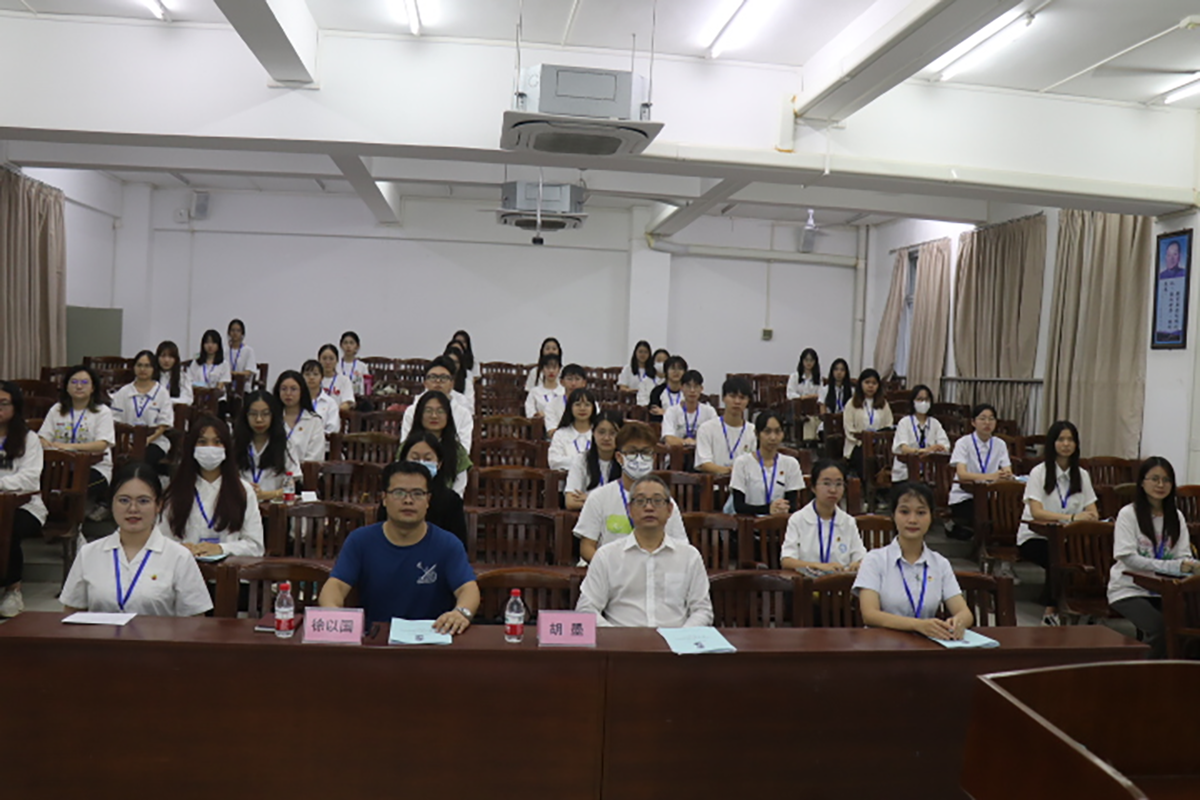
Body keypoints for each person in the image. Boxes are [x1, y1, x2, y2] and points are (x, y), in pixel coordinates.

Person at [318, 461, 480, 632]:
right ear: (384, 498)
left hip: (433, 636)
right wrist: (333, 614)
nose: (408, 500)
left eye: (417, 493)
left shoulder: (448, 544)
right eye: (399, 493)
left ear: (428, 500)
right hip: (376, 638)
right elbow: (335, 586)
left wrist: (461, 613)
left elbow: (468, 589)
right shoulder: (360, 540)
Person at [61, 462, 212, 617]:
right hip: (102, 634)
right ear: (111, 503)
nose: (133, 509)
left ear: (158, 505)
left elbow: (195, 621)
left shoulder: (179, 557)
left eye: (143, 501)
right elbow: (71, 614)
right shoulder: (89, 554)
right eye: (124, 500)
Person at [576, 474, 713, 627]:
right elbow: (586, 608)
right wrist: (616, 636)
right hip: (623, 638)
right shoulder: (607, 556)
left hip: (675, 639)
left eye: (657, 501)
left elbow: (702, 610)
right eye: (640, 501)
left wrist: (681, 637)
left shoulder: (689, 556)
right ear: (629, 510)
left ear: (669, 510)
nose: (649, 507)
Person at [854, 482, 974, 640]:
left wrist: (958, 622)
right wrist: (917, 625)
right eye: (904, 512)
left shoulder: (940, 563)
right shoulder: (875, 560)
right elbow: (870, 615)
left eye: (921, 512)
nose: (912, 520)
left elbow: (965, 613)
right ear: (893, 515)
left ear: (931, 517)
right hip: (882, 646)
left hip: (926, 645)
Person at [1108, 457, 1200, 658]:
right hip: (1129, 589)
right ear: (1142, 482)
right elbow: (1128, 558)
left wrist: (1192, 566)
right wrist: (1174, 567)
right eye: (1155, 479)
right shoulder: (1128, 514)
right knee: (1160, 628)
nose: (1161, 485)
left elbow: (1183, 556)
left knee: (1189, 625)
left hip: (1165, 591)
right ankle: (1144, 673)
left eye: (1166, 480)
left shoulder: (1176, 516)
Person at [1018, 420, 1099, 626]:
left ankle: (1087, 608)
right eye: (1061, 439)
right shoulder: (1039, 472)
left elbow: (1093, 513)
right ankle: (1051, 611)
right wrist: (1071, 518)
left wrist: (1083, 518)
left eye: (1070, 440)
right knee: (1058, 558)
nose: (1066, 444)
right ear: (1052, 443)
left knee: (1091, 556)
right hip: (1035, 536)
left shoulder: (1082, 475)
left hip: (1067, 539)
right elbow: (1036, 512)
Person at [574, 421, 687, 563]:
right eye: (632, 452)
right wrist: (609, 568)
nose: (639, 458)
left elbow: (680, 546)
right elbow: (587, 547)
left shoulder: (664, 501)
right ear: (619, 457)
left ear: (653, 458)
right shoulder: (599, 497)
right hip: (610, 570)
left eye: (645, 452)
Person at [159, 416, 264, 557]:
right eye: (202, 442)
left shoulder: (244, 491)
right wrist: (180, 549)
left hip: (229, 568)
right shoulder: (175, 491)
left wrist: (222, 548)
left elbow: (255, 546)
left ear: (226, 448)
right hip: (185, 566)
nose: (210, 448)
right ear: (192, 447)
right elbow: (161, 541)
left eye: (217, 442)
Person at [39, 365, 115, 514]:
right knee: (43, 482)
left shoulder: (102, 412)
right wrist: (46, 444)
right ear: (66, 387)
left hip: (94, 467)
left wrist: (68, 447)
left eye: (85, 382)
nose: (79, 386)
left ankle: (77, 520)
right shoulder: (57, 409)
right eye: (74, 382)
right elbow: (42, 437)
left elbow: (101, 444)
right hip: (60, 466)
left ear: (93, 388)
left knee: (70, 488)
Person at [0, 382, 47, 617]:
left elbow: (30, 479)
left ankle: (13, 589)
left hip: (25, 505)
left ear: (16, 406)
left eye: (3, 403)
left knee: (7, 526)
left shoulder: (30, 439)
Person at [781, 459, 866, 573]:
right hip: (808, 581)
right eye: (826, 483)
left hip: (841, 581)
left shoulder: (848, 522)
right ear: (813, 487)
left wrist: (858, 564)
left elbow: (861, 557)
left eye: (839, 484)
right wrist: (819, 566)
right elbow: (787, 561)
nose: (833, 490)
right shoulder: (798, 519)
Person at [948, 403, 1013, 540]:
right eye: (982, 418)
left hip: (990, 496)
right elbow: (962, 474)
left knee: (1008, 513)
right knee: (985, 516)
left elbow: (1007, 470)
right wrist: (991, 476)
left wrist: (1006, 474)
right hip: (965, 496)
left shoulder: (1000, 444)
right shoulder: (963, 443)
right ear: (973, 422)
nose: (987, 423)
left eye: (991, 419)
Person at [389, 434, 467, 543]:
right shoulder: (391, 496)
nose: (421, 463)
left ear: (439, 464)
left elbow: (459, 544)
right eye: (415, 458)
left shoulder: (452, 501)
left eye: (428, 459)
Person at [109, 349, 173, 469]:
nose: (143, 369)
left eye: (147, 366)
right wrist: (125, 442)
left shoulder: (162, 393)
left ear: (154, 368)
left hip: (154, 441)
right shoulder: (124, 392)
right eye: (139, 365)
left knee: (142, 461)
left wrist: (146, 441)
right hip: (125, 440)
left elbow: (164, 424)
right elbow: (115, 421)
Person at [731, 411, 803, 515]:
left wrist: (782, 509)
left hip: (780, 522)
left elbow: (792, 505)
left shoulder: (791, 464)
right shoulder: (742, 463)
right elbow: (739, 506)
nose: (773, 437)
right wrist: (768, 509)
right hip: (751, 522)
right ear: (757, 434)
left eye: (777, 432)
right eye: (767, 432)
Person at [401, 391, 472, 497]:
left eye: (440, 411)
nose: (434, 416)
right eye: (428, 411)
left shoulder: (457, 450)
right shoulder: (407, 446)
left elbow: (459, 487)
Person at [400, 359, 474, 454]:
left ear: (452, 384)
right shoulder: (412, 411)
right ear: (425, 383)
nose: (438, 381)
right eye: (433, 377)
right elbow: (405, 446)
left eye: (443, 378)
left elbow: (464, 449)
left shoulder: (463, 413)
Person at [233, 390, 289, 502]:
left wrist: (266, 495)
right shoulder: (235, 444)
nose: (259, 419)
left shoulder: (285, 445)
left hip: (274, 507)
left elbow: (293, 487)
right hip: (241, 504)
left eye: (265, 414)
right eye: (253, 414)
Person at [695, 376, 756, 479]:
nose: (737, 401)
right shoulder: (706, 428)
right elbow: (704, 463)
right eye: (732, 396)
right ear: (723, 398)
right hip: (714, 484)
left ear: (748, 401)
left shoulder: (753, 430)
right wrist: (730, 471)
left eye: (742, 398)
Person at [890, 384, 950, 483]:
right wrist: (926, 450)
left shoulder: (935, 423)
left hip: (930, 474)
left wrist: (938, 448)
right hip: (905, 474)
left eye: (926, 399)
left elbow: (944, 447)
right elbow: (904, 449)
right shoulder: (905, 422)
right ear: (913, 401)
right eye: (919, 399)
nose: (923, 402)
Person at [565, 411, 622, 511]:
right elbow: (570, 502)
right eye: (601, 432)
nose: (606, 438)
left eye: (613, 433)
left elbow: (631, 503)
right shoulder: (581, 460)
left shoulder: (627, 461)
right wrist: (611, 504)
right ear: (593, 433)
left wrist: (590, 499)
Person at [273, 370, 325, 477]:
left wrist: (296, 476)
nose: (288, 393)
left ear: (302, 391)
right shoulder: (272, 419)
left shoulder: (314, 421)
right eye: (284, 389)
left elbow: (315, 458)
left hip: (304, 479)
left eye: (293, 389)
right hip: (274, 477)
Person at [843, 368, 893, 478]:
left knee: (886, 458)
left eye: (874, 383)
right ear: (861, 384)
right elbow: (849, 429)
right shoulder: (851, 403)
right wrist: (864, 441)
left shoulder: (884, 404)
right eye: (867, 382)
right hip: (857, 444)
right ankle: (866, 484)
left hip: (879, 445)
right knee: (864, 456)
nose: (870, 386)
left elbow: (889, 424)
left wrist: (878, 441)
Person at [661, 369, 716, 448]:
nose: (692, 390)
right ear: (681, 388)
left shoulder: (709, 411)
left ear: (701, 389)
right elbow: (668, 439)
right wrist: (686, 442)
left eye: (696, 386)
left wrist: (695, 443)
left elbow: (715, 438)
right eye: (688, 386)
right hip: (677, 453)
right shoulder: (671, 411)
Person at [548, 388, 599, 471]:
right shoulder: (561, 434)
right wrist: (584, 461)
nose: (582, 408)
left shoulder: (599, 433)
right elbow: (554, 461)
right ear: (570, 407)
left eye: (587, 405)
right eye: (577, 404)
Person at [787, 347, 822, 440]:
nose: (808, 363)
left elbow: (820, 394)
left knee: (815, 418)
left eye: (811, 360)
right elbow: (790, 394)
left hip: (813, 408)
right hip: (798, 408)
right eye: (806, 360)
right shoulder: (794, 376)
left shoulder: (818, 378)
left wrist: (810, 397)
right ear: (802, 361)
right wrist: (803, 398)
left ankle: (812, 440)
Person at [302, 358, 341, 435]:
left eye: (315, 374)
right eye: (307, 374)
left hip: (323, 440)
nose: (311, 378)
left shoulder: (330, 402)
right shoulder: (296, 401)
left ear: (322, 377)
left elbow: (333, 429)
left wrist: (315, 437)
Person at [525, 353, 565, 422]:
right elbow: (530, 412)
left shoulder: (564, 391)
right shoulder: (534, 392)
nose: (551, 371)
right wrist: (537, 415)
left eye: (554, 368)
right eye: (548, 368)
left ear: (559, 370)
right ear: (542, 370)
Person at [647, 355, 687, 422]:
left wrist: (665, 412)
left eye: (680, 368)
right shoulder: (657, 392)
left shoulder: (689, 391)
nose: (676, 372)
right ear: (666, 371)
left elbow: (690, 415)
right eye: (672, 368)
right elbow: (655, 414)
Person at [318, 343, 356, 411]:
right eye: (324, 358)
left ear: (337, 360)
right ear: (319, 360)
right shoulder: (314, 380)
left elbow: (348, 403)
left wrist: (332, 412)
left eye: (331, 359)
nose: (327, 362)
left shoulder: (344, 380)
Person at [155, 340, 193, 406]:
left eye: (170, 357)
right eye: (163, 356)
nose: (166, 360)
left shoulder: (182, 375)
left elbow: (188, 399)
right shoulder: (151, 374)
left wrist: (167, 401)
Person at [338, 330, 372, 396]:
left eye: (351, 343)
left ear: (357, 346)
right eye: (345, 343)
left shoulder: (362, 366)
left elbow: (366, 387)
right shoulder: (336, 365)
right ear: (341, 345)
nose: (348, 346)